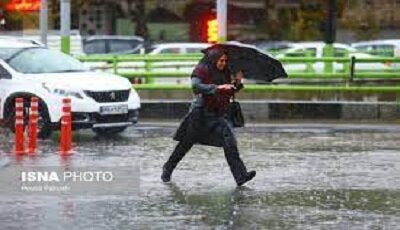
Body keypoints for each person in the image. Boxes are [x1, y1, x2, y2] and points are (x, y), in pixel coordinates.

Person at [161, 46, 256, 186]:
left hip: (219, 114)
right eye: (221, 60)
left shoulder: (225, 72)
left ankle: (241, 176)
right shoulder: (201, 69)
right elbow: (196, 87)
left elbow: (229, 91)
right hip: (200, 113)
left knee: (230, 143)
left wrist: (237, 82)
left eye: (225, 61)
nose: (223, 63)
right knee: (186, 143)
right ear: (213, 59)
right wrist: (216, 88)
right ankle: (168, 168)